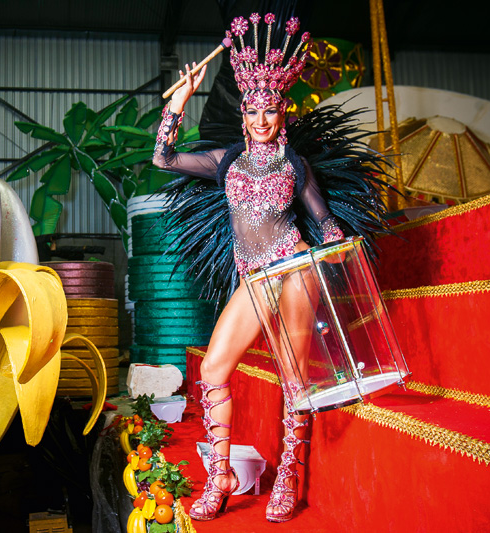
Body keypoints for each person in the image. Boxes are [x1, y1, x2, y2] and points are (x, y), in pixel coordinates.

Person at [152, 13, 346, 523]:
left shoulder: (295, 166)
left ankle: (288, 474)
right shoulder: (227, 161)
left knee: (293, 377)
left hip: (295, 269)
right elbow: (163, 160)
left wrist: (337, 243)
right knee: (215, 369)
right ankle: (221, 476)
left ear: (283, 113)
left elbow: (323, 221)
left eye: (271, 110)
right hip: (253, 275)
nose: (262, 120)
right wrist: (179, 103)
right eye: (254, 111)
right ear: (244, 113)